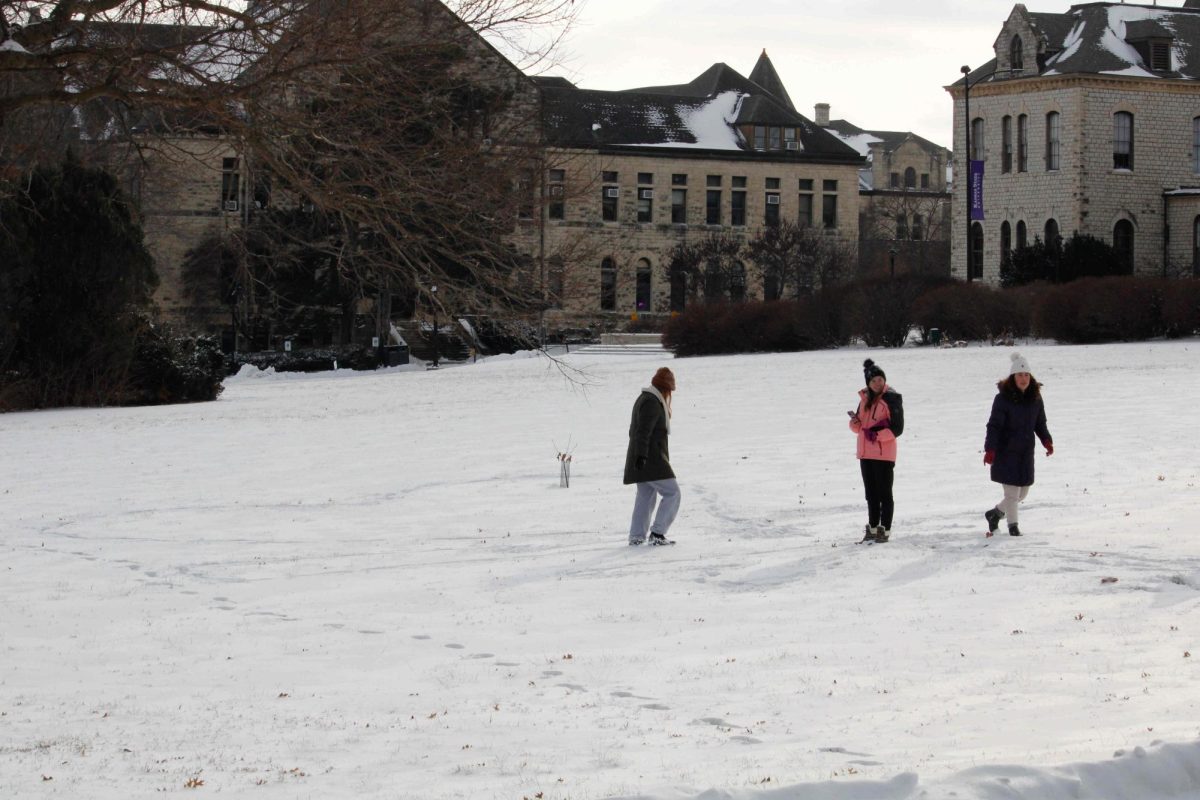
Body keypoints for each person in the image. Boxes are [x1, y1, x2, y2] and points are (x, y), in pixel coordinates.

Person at [983, 352, 1053, 537]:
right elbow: (994, 426)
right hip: (1006, 452)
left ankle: (995, 513)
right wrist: (990, 449)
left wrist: (1047, 441)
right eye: (1020, 375)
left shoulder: (1036, 399)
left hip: (1025, 452)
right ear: (1013, 378)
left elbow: (1040, 424)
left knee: (1022, 494)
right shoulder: (1002, 399)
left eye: (1026, 375)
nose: (1023, 379)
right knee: (1013, 494)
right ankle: (1013, 527)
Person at [849, 359, 904, 542]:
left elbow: (897, 428)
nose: (877, 383)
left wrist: (878, 435)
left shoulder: (891, 398)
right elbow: (859, 427)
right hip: (865, 453)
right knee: (870, 494)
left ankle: (884, 530)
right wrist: (854, 423)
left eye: (880, 380)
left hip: (883, 454)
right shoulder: (864, 400)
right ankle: (872, 528)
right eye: (873, 381)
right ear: (868, 383)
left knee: (884, 493)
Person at [624, 367, 680, 546]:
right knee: (673, 493)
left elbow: (636, 431)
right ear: (665, 388)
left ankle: (637, 536)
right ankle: (657, 533)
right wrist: (642, 456)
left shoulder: (645, 398)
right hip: (651, 458)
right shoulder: (652, 402)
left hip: (642, 457)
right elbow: (643, 432)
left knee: (646, 495)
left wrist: (639, 456)